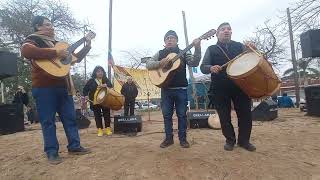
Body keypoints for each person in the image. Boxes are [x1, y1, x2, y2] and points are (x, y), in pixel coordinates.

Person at [20, 16, 91, 164]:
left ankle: (74, 146)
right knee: (48, 121)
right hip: (43, 87)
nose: (52, 27)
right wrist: (55, 53)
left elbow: (74, 58)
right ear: (38, 27)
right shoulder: (33, 40)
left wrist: (87, 45)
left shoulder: (58, 44)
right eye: (47, 25)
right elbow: (26, 51)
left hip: (63, 87)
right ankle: (52, 152)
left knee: (70, 118)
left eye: (51, 25)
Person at [200, 22, 256, 152]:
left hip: (240, 85)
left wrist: (253, 49)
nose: (226, 31)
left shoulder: (239, 46)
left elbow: (251, 58)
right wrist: (211, 67)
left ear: (231, 32)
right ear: (217, 34)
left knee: (245, 114)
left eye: (229, 29)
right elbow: (203, 67)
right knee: (224, 116)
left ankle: (244, 141)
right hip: (220, 87)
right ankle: (230, 140)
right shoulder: (211, 49)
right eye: (223, 29)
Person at [146, 30, 202, 148]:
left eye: (172, 38)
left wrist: (197, 48)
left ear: (177, 40)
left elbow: (194, 63)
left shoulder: (183, 52)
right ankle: (168, 139)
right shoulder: (160, 53)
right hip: (166, 89)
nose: (169, 40)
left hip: (181, 89)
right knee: (167, 115)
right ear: (164, 41)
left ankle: (183, 139)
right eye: (167, 38)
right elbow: (148, 64)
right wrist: (159, 63)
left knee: (182, 115)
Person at [83, 66, 113, 137]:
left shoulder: (105, 79)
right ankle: (100, 129)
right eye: (98, 71)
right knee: (97, 115)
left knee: (107, 114)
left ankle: (108, 129)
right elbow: (85, 89)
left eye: (101, 71)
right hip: (95, 101)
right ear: (95, 73)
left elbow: (110, 86)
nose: (100, 73)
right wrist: (86, 96)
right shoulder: (91, 81)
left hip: (105, 100)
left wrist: (106, 85)